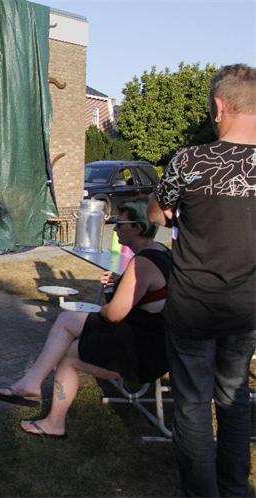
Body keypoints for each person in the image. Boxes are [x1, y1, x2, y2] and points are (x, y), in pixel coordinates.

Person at [148, 64, 255, 497]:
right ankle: (234, 489)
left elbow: (157, 214)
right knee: (234, 397)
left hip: (192, 304)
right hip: (246, 305)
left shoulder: (190, 161)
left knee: (192, 404)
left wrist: (177, 212)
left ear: (219, 105)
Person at [0, 201, 171, 438]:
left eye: (119, 223)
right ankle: (37, 394)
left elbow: (114, 313)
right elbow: (150, 294)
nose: (114, 229)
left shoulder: (143, 263)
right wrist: (120, 283)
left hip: (144, 353)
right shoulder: (161, 251)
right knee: (68, 332)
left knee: (68, 344)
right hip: (153, 340)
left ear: (137, 227)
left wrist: (105, 306)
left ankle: (43, 404)